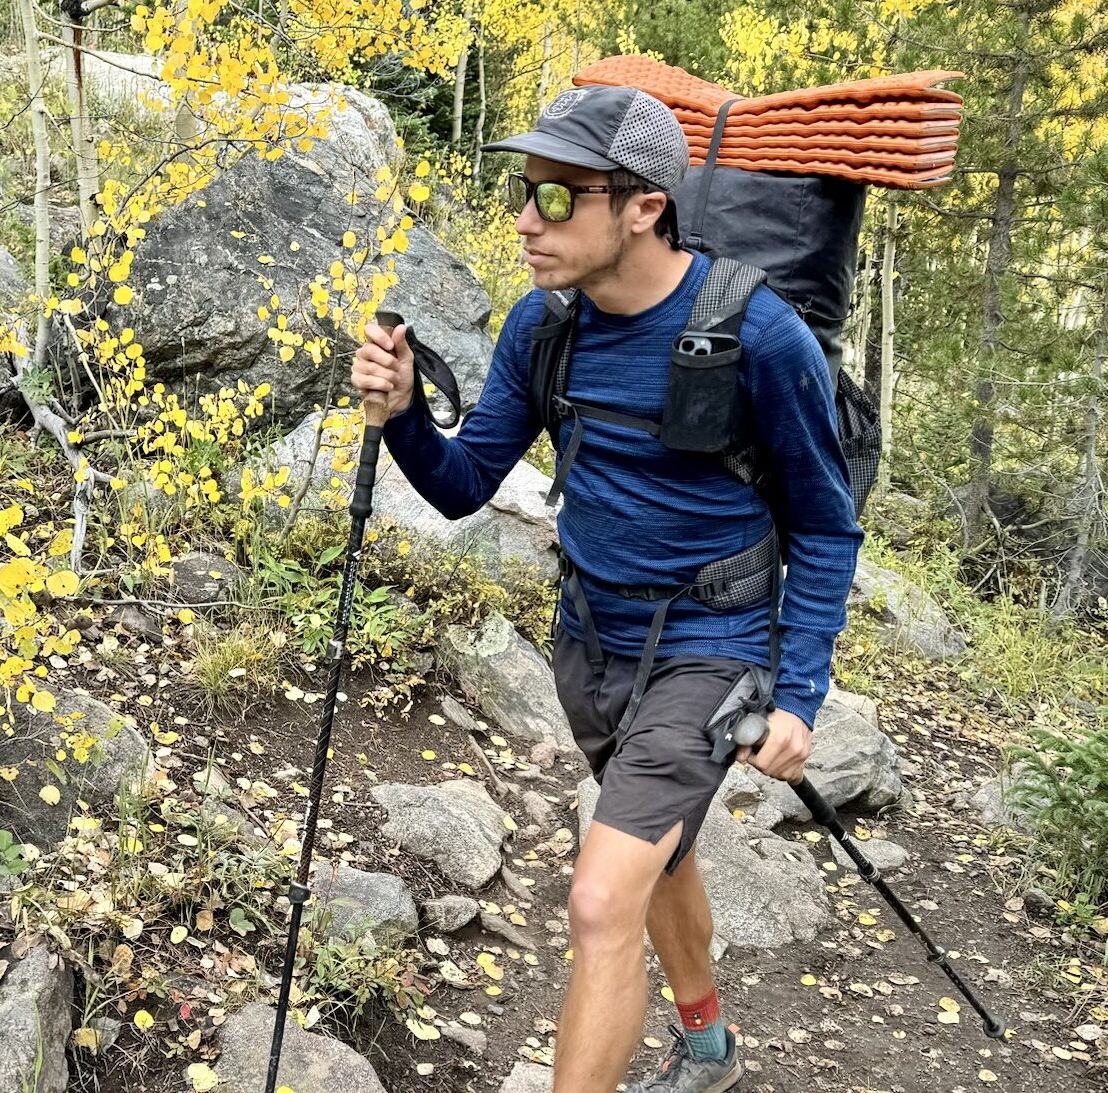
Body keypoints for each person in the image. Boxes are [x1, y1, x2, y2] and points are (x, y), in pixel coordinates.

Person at [350, 85, 862, 1093]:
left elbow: (825, 521)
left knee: (597, 898)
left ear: (643, 206)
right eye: (523, 191)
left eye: (555, 197)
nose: (523, 219)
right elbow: (462, 487)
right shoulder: (543, 329)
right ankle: (707, 1044)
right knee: (654, 858)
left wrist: (797, 692)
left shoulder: (758, 337)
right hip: (588, 643)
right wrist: (406, 414)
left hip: (710, 653)